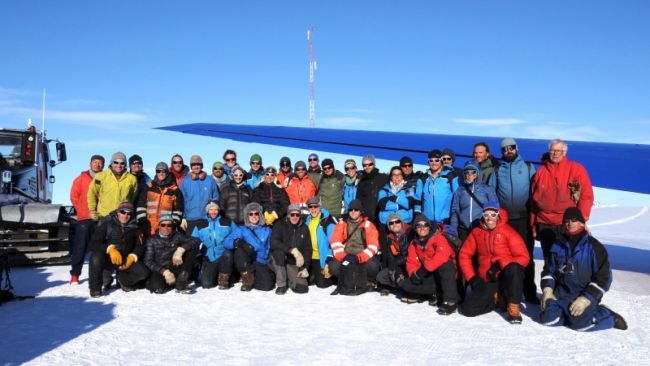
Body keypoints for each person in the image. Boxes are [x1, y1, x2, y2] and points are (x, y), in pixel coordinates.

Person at [539, 207, 627, 331]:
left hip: (583, 294)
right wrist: (547, 290)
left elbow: (604, 278)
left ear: (581, 222)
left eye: (573, 220)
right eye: (566, 220)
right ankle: (572, 316)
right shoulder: (557, 245)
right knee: (548, 320)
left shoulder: (595, 247)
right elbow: (549, 270)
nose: (569, 223)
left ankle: (608, 316)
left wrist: (586, 299)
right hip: (561, 294)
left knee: (581, 325)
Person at [459, 202, 530, 324]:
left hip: (505, 276)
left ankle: (513, 305)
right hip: (487, 279)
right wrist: (472, 279)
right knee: (467, 310)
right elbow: (464, 255)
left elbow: (524, 257)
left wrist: (500, 264)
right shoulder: (477, 232)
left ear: (498, 215)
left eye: (493, 214)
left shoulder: (508, 231)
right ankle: (497, 299)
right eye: (486, 214)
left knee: (515, 268)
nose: (489, 218)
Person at [530, 139, 594, 264]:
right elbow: (533, 201)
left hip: (567, 224)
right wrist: (533, 225)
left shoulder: (576, 169)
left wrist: (580, 220)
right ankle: (548, 283)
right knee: (549, 261)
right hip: (545, 224)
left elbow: (586, 196)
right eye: (553, 150)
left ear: (564, 153)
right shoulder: (540, 173)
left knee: (568, 262)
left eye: (559, 151)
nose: (555, 153)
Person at [496, 137, 538, 303]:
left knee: (526, 255)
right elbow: (493, 194)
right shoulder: (498, 169)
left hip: (524, 219)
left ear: (516, 148)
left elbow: (536, 192)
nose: (508, 151)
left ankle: (529, 292)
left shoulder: (528, 167)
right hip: (505, 221)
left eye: (511, 147)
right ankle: (507, 291)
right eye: (505, 149)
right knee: (504, 255)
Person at [398, 215, 459, 315]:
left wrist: (424, 269)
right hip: (430, 275)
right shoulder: (414, 243)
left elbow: (442, 257)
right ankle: (436, 292)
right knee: (405, 284)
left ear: (429, 227)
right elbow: (411, 262)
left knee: (446, 264)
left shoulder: (439, 238)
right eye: (418, 225)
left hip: (447, 275)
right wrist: (414, 273)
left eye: (425, 225)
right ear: (415, 228)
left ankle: (451, 301)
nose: (422, 228)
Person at [88, 202, 150, 297]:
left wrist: (132, 257)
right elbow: (94, 243)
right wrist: (109, 249)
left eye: (129, 213)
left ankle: (123, 280)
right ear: (118, 212)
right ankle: (95, 288)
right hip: (109, 259)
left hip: (126, 260)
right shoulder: (107, 224)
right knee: (95, 258)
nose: (125, 215)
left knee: (144, 272)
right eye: (122, 212)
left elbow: (140, 246)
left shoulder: (136, 228)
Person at [329, 199, 381, 295]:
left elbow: (373, 246)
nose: (353, 212)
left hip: (362, 255)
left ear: (360, 211)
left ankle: (365, 280)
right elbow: (335, 242)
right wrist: (343, 256)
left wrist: (359, 257)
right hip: (346, 254)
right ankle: (347, 280)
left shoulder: (369, 225)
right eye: (351, 209)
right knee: (333, 266)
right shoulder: (342, 224)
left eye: (356, 209)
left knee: (373, 266)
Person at [69, 154, 104, 285]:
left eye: (100, 163)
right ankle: (75, 275)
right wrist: (84, 211)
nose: (97, 165)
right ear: (90, 164)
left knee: (100, 248)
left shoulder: (105, 178)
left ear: (103, 165)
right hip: (85, 218)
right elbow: (74, 196)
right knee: (80, 246)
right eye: (95, 162)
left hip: (101, 217)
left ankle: (100, 274)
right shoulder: (80, 179)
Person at [223, 202, 275, 291]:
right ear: (247, 216)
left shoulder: (267, 230)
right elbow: (226, 242)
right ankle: (246, 277)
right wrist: (239, 242)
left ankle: (252, 278)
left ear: (260, 215)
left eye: (256, 213)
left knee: (267, 286)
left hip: (262, 262)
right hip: (248, 262)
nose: (253, 216)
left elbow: (272, 246)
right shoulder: (241, 229)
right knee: (239, 250)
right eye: (250, 214)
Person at [144, 214, 200, 294]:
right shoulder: (152, 239)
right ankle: (174, 282)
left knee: (191, 250)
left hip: (175, 266)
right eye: (163, 225)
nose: (166, 228)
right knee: (157, 288)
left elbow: (196, 240)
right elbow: (148, 261)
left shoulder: (177, 235)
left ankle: (181, 282)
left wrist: (181, 249)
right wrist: (164, 271)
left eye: (169, 225)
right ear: (159, 226)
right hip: (161, 269)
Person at [449, 161, 498, 241]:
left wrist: (492, 226)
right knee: (463, 252)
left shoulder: (487, 189)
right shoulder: (460, 190)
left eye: (473, 172)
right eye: (466, 172)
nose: (469, 175)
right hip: (463, 229)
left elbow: (495, 208)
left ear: (478, 173)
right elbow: (455, 210)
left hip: (481, 228)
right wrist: (453, 228)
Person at [269, 204, 311, 294]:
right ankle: (281, 284)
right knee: (279, 253)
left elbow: (308, 248)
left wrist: (305, 267)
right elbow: (274, 242)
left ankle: (288, 276)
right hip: (279, 259)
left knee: (302, 288)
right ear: (288, 215)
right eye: (292, 214)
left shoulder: (304, 228)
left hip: (293, 263)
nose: (295, 217)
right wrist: (291, 250)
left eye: (297, 215)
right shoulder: (280, 224)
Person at [192, 201, 234, 290]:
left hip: (223, 255)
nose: (213, 212)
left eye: (215, 209)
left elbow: (237, 233)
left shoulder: (227, 222)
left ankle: (224, 278)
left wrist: (232, 242)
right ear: (207, 211)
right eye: (211, 209)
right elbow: (193, 241)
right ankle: (215, 274)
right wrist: (198, 255)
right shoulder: (200, 224)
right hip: (209, 257)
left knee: (228, 254)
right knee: (206, 284)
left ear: (218, 210)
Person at [136, 162, 184, 236]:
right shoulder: (148, 187)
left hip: (166, 229)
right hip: (148, 228)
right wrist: (143, 223)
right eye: (158, 171)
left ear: (167, 172)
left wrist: (172, 225)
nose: (161, 173)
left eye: (163, 171)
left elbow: (178, 210)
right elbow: (141, 206)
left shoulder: (175, 190)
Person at [87, 151, 138, 220]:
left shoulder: (132, 179)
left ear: (125, 164)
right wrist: (92, 210)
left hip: (122, 217)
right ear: (111, 163)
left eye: (122, 163)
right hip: (104, 216)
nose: (119, 165)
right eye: (116, 162)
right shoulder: (101, 176)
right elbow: (92, 193)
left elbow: (133, 197)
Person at [415, 149, 458, 224]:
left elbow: (457, 198)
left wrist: (454, 218)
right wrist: (418, 214)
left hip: (445, 220)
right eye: (431, 160)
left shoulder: (451, 177)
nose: (434, 163)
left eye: (437, 160)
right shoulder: (423, 179)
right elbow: (418, 197)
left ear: (441, 161)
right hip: (427, 221)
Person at [179, 155, 219, 235]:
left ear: (201, 166)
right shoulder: (186, 181)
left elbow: (216, 198)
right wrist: (182, 217)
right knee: (190, 244)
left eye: (198, 164)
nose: (196, 167)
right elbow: (180, 201)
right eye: (193, 165)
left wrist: (213, 214)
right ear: (191, 166)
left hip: (206, 219)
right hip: (190, 220)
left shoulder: (210, 180)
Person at [375, 213, 412, 296]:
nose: (394, 224)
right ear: (389, 227)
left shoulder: (410, 233)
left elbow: (410, 255)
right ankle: (398, 285)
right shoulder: (390, 238)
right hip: (399, 265)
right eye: (391, 223)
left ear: (402, 223)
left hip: (410, 265)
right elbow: (389, 256)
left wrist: (396, 265)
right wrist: (392, 268)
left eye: (397, 221)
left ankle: (405, 286)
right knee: (380, 276)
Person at [304, 196, 337, 288]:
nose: (313, 209)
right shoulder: (307, 221)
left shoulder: (327, 221)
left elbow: (334, 242)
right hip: (311, 258)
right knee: (307, 282)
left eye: (315, 206)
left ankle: (334, 275)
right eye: (311, 207)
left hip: (322, 258)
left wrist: (329, 260)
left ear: (320, 207)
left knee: (322, 285)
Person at [356, 154, 388, 223]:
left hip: (383, 217)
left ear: (374, 164)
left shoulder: (384, 178)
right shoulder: (361, 182)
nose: (367, 167)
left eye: (370, 164)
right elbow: (358, 201)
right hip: (368, 219)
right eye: (364, 165)